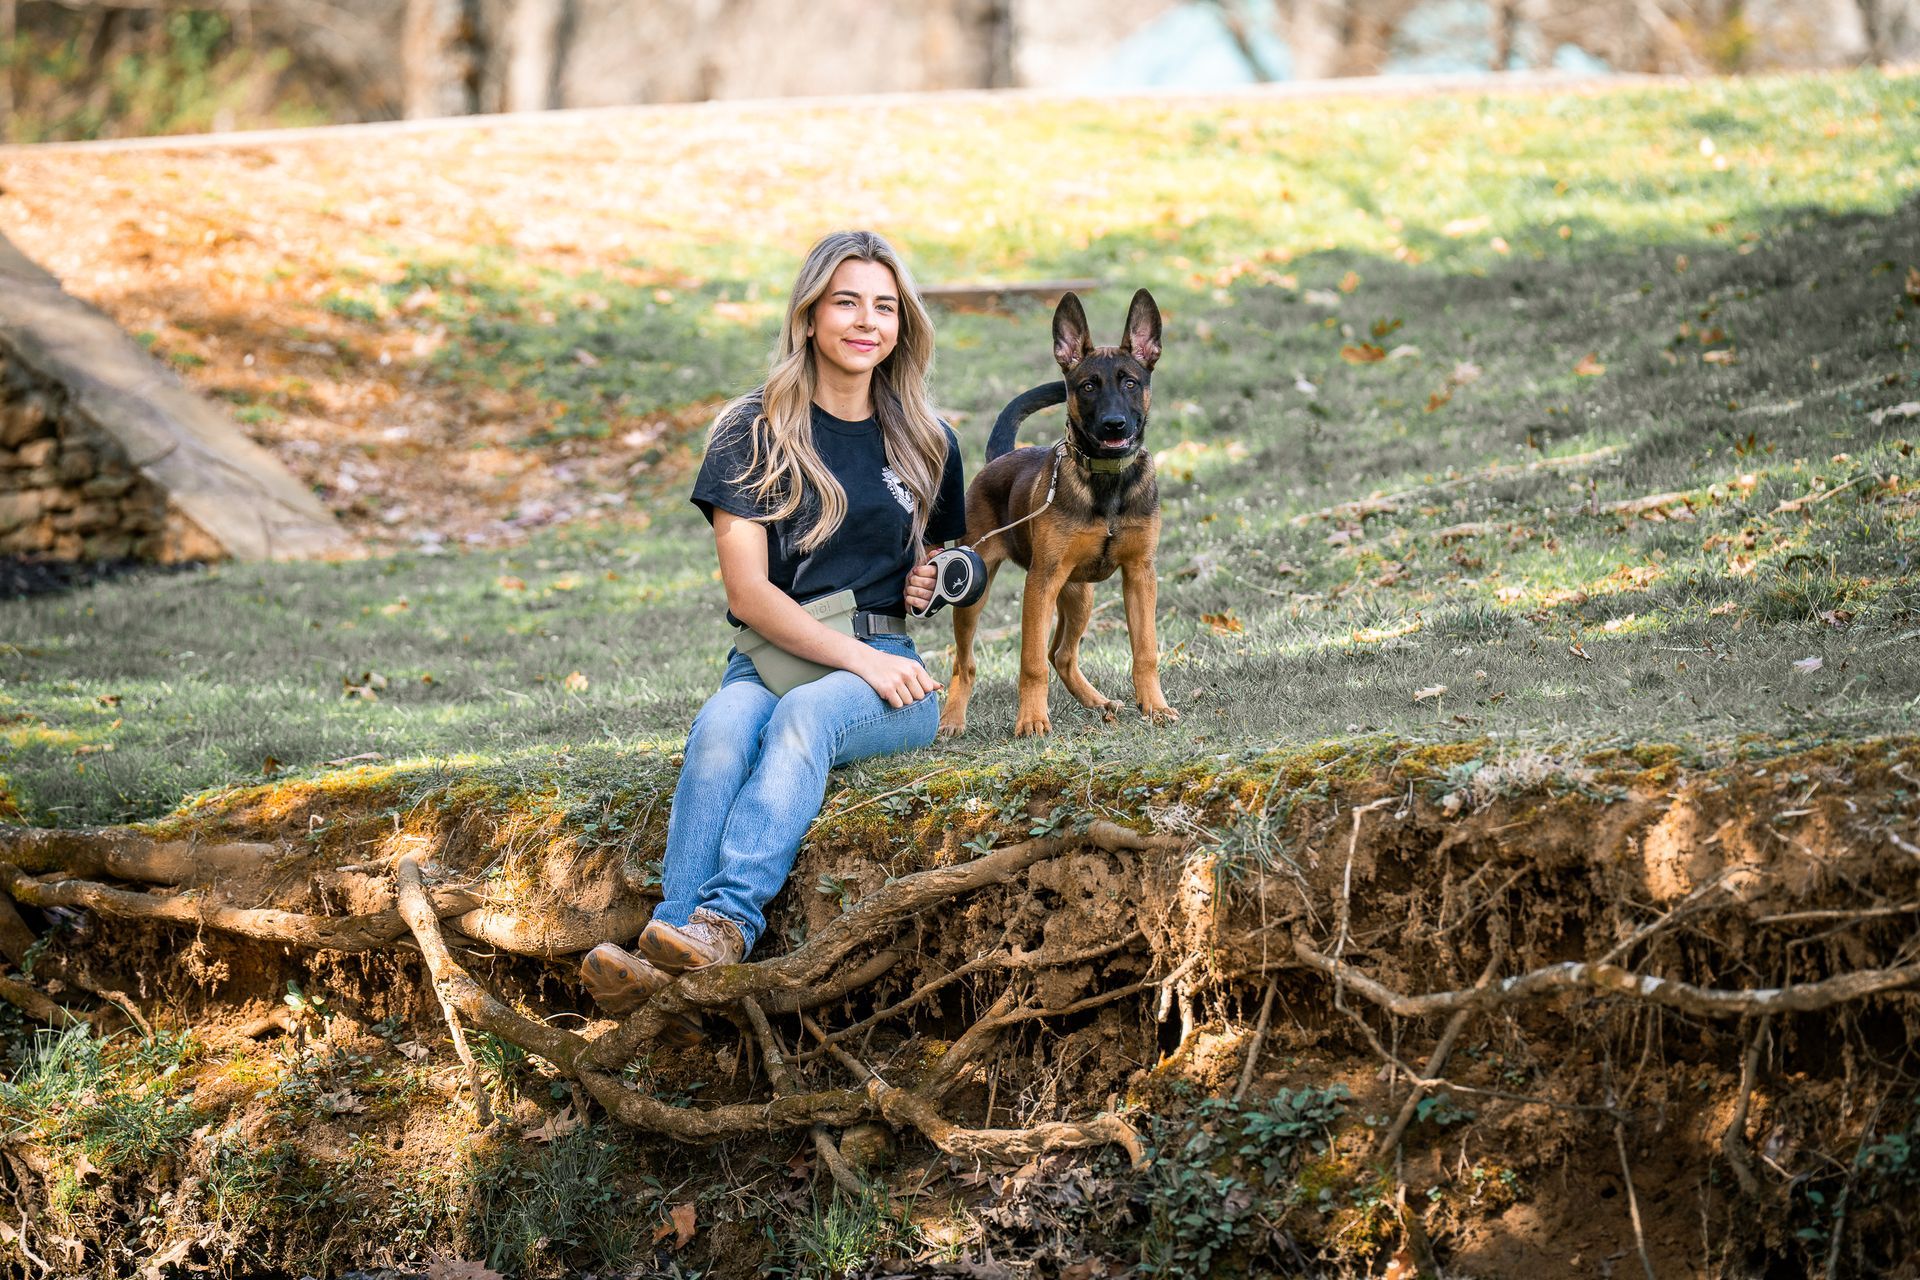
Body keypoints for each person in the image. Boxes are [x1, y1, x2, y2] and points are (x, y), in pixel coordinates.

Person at [581, 230, 966, 1018]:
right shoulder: (750, 430)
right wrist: (854, 660)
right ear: (811, 314)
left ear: (904, 324)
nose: (868, 321)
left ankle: (725, 921)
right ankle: (672, 942)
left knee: (804, 717)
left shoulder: (926, 438)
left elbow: (954, 559)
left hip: (891, 663)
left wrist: (942, 578)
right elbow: (751, 594)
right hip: (771, 657)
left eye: (886, 306)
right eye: (847, 302)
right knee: (723, 726)